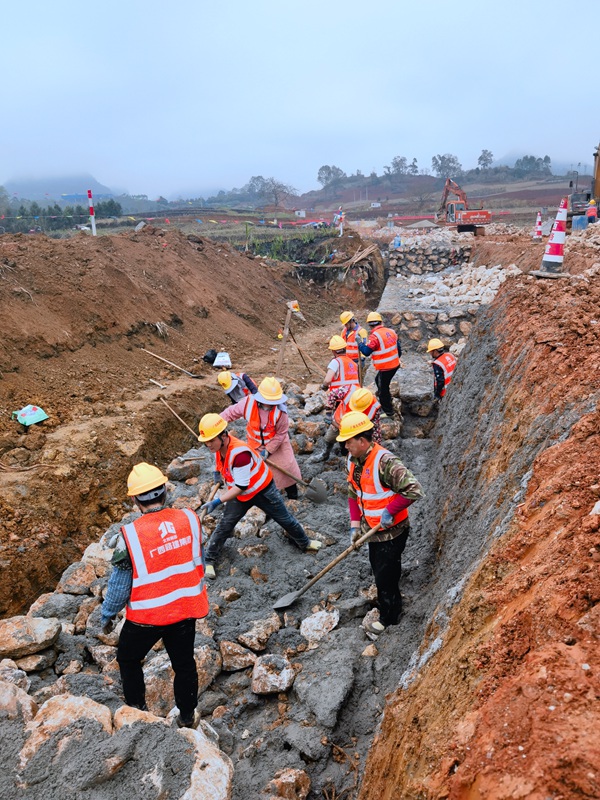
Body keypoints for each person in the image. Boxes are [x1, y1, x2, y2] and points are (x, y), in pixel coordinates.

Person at [100, 463, 208, 728]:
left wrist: (108, 614)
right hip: (185, 609)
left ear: (136, 500)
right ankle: (186, 716)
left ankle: (138, 711)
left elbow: (119, 585)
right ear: (165, 492)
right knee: (184, 664)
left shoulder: (131, 536)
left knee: (128, 659)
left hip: (147, 617)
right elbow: (198, 561)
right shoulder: (190, 519)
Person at [198, 414, 321, 579]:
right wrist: (216, 473)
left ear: (224, 435)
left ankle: (305, 543)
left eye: (211, 440)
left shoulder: (240, 453)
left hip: (263, 490)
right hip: (241, 495)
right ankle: (209, 559)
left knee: (284, 519)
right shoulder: (219, 446)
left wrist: (218, 501)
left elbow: (241, 487)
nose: (208, 444)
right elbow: (221, 462)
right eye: (206, 442)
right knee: (224, 526)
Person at [337, 411, 424, 639]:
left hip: (391, 532)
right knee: (380, 568)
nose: (345, 446)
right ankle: (389, 597)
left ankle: (390, 616)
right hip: (371, 530)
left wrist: (390, 511)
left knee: (385, 576)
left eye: (348, 441)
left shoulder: (385, 462)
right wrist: (355, 526)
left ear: (362, 440)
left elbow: (414, 490)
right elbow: (352, 492)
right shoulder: (352, 460)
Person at [220, 376, 301, 499]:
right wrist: (216, 423)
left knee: (287, 467)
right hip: (255, 445)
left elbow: (281, 434)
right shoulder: (248, 403)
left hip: (277, 444)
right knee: (261, 474)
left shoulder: (281, 413)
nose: (270, 404)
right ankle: (268, 499)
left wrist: (268, 450)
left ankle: (293, 495)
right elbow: (229, 413)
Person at [315, 386, 383, 463]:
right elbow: (332, 394)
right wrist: (328, 412)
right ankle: (324, 454)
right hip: (339, 423)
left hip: (356, 429)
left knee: (353, 446)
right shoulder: (347, 391)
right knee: (328, 438)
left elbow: (376, 430)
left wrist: (376, 448)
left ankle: (352, 460)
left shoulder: (374, 408)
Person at [357, 312, 402, 419]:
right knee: (378, 380)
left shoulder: (375, 336)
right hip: (395, 364)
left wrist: (360, 344)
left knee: (383, 388)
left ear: (370, 325)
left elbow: (367, 351)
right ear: (381, 322)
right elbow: (399, 349)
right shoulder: (391, 332)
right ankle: (386, 400)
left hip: (386, 367)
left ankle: (388, 411)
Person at [321, 334, 360, 423]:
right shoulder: (353, 363)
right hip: (355, 396)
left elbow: (327, 380)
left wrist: (324, 386)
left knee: (340, 421)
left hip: (341, 398)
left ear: (333, 351)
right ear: (345, 349)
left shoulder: (335, 362)